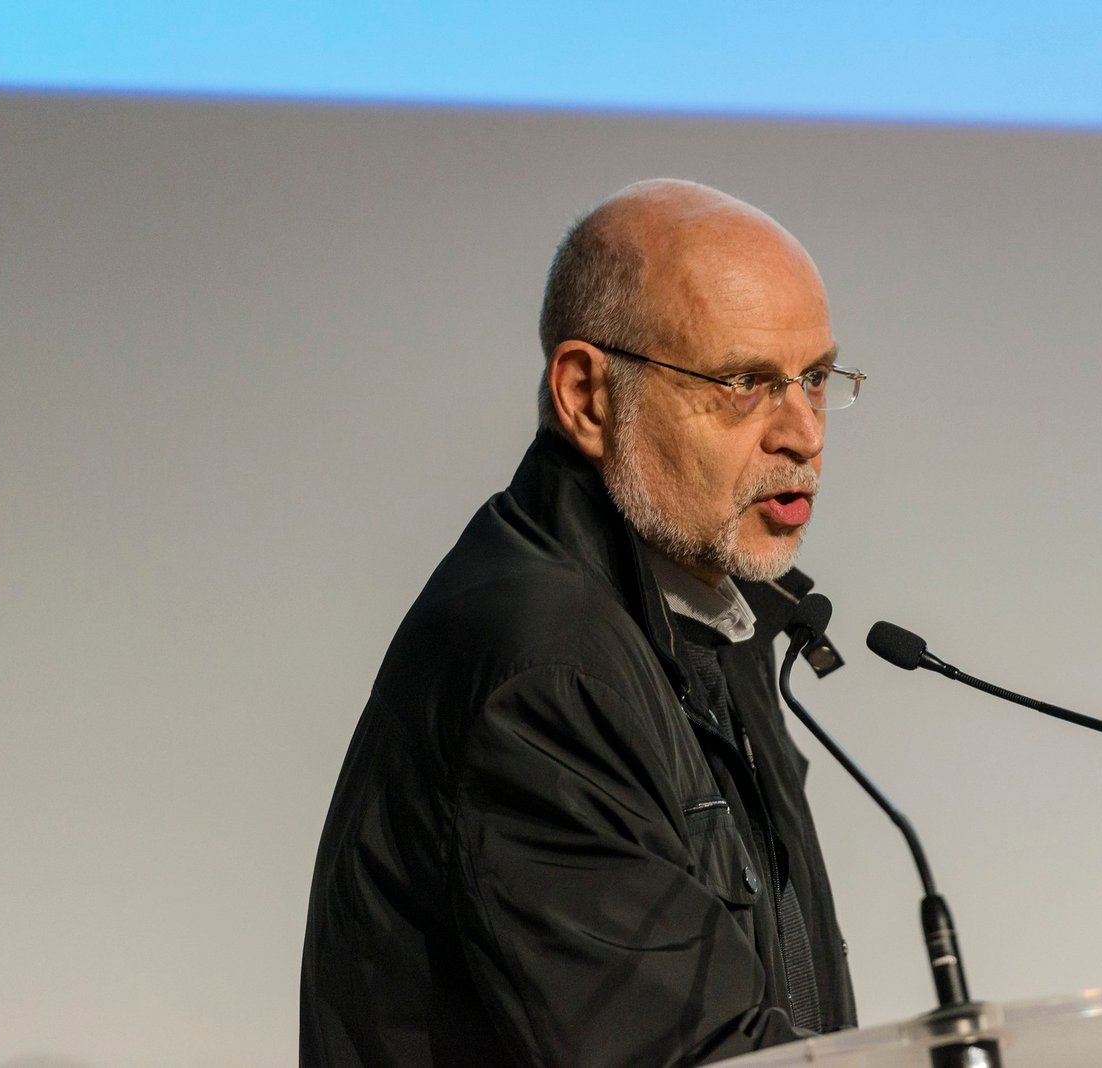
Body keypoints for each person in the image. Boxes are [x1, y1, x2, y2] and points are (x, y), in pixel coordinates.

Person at [301, 179, 863, 1067]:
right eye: (744, 383)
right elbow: (692, 1054)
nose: (803, 433)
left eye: (816, 380)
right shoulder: (546, 673)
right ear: (587, 396)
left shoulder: (720, 617)